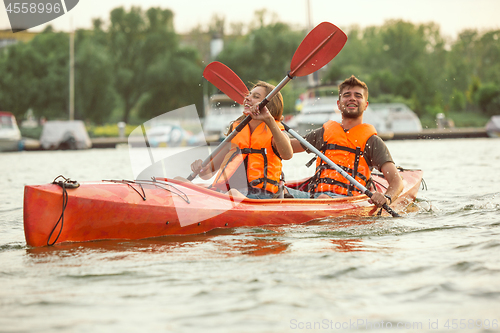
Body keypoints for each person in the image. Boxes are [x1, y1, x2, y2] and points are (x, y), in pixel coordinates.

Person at [289, 75, 403, 207]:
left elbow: (396, 182)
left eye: (358, 96)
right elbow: (286, 148)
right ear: (338, 104)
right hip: (315, 197)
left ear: (366, 105)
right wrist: (271, 122)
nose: (352, 98)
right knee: (280, 191)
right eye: (347, 95)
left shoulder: (372, 142)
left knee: (324, 198)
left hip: (346, 201)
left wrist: (387, 198)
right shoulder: (324, 133)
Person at [191, 81, 293, 199]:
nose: (248, 98)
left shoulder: (275, 132)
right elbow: (207, 174)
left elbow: (287, 154)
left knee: (233, 194)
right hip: (226, 194)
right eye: (249, 95)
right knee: (180, 182)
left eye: (256, 97)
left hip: (260, 195)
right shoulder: (237, 132)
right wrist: (201, 169)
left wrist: (268, 119)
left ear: (269, 105)